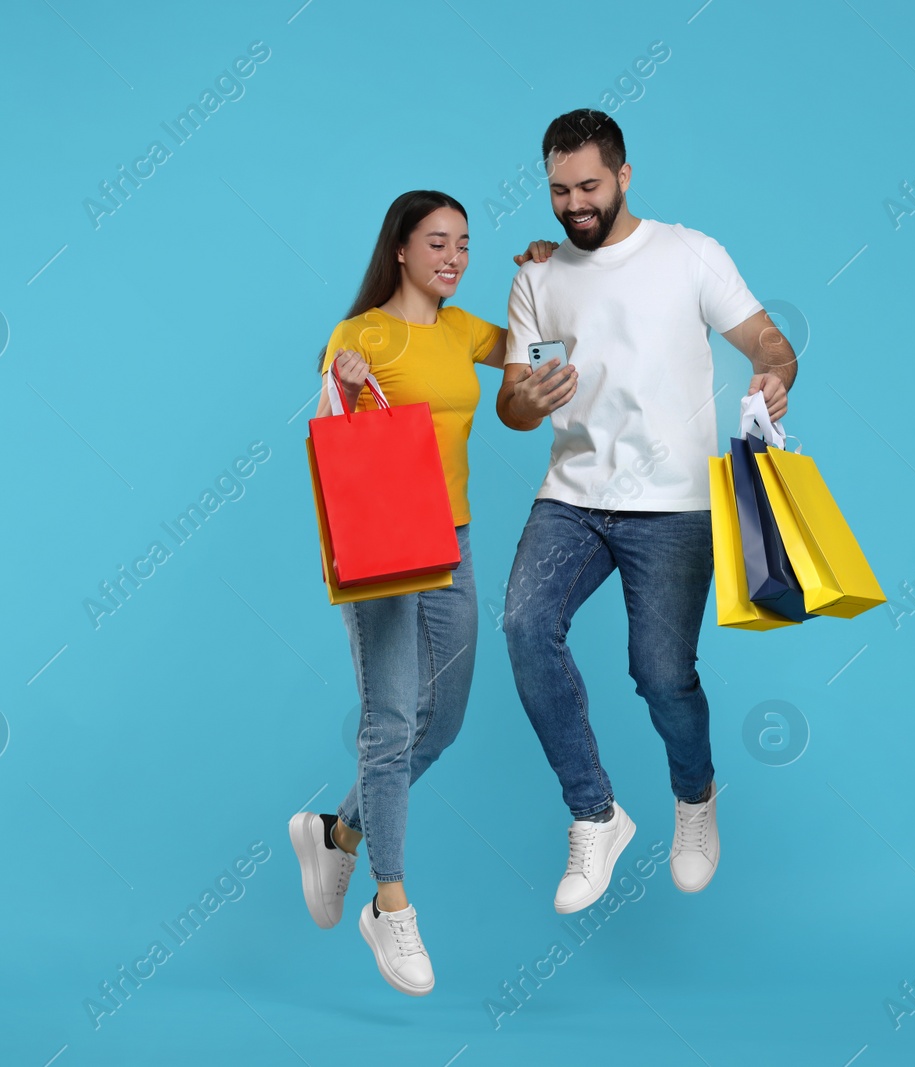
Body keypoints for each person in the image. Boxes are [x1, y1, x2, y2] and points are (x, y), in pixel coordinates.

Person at [497, 110, 798, 914]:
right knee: (525, 626)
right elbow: (513, 407)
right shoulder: (536, 278)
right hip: (572, 498)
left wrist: (775, 376)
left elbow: (770, 341)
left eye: (589, 186)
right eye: (558, 191)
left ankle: (694, 798)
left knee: (661, 675)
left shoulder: (690, 253)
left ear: (625, 176)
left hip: (675, 508)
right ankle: (595, 814)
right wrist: (524, 397)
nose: (574, 205)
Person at [288, 189, 552, 996]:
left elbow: (535, 353)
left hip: (455, 538)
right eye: (437, 242)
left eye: (464, 244)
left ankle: (336, 832)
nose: (453, 257)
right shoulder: (364, 329)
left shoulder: (463, 327)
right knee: (391, 719)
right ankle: (391, 902)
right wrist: (347, 372)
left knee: (442, 721)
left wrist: (544, 282)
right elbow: (334, 377)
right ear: (399, 248)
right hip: (383, 544)